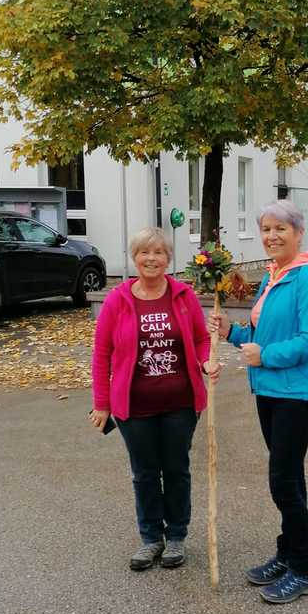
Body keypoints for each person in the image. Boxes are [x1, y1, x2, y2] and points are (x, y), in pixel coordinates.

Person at [209, 200, 308, 604]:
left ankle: (303, 568)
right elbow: (260, 335)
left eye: (280, 228)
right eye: (266, 229)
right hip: (269, 390)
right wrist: (231, 332)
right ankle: (289, 552)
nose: (271, 236)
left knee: (282, 481)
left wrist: (266, 356)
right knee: (290, 477)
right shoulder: (273, 275)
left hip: (297, 392)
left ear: (298, 233)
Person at [90, 227, 219, 571]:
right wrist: (102, 404)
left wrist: (206, 361)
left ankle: (176, 536)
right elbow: (102, 353)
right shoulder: (118, 300)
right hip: (134, 407)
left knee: (176, 470)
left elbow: (201, 339)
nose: (151, 259)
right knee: (144, 473)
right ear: (135, 257)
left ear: (168, 258)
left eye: (159, 252)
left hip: (180, 403)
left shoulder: (183, 296)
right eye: (145, 252)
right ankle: (150, 539)